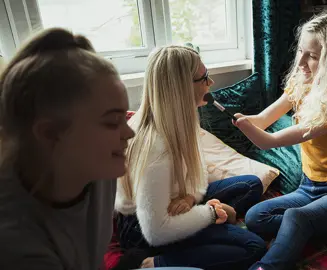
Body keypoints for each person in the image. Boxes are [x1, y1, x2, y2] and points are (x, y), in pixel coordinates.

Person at [233, 13, 327, 270]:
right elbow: (262, 121)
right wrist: (240, 118)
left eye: (313, 56)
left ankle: (266, 267)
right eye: (301, 51)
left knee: (297, 218)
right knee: (255, 216)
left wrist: (247, 127)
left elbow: (268, 141)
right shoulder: (300, 85)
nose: (301, 62)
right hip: (308, 188)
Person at [115, 45, 266, 270]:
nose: (211, 83)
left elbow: (198, 172)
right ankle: (153, 262)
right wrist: (211, 212)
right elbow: (156, 232)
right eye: (204, 78)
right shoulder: (157, 149)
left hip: (172, 203)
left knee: (250, 184)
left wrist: (190, 199)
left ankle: (195, 234)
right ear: (181, 87)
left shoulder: (179, 120)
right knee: (254, 247)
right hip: (145, 229)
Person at [0, 28, 134, 270]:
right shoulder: (15, 244)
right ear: (50, 133)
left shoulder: (98, 170)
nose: (129, 133)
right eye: (113, 122)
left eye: (125, 117)